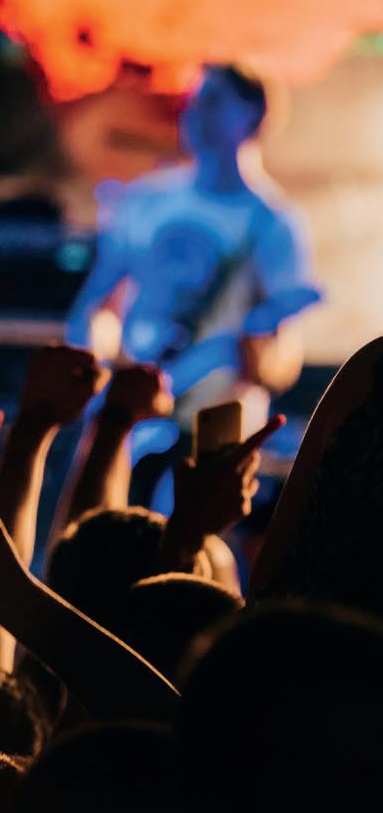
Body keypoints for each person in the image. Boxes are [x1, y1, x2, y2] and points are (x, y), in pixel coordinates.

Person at [66, 65, 320, 502]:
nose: (196, 112)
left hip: (215, 433)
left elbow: (283, 357)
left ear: (255, 117)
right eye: (195, 100)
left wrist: (256, 358)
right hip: (133, 422)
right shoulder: (145, 202)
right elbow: (94, 306)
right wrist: (95, 375)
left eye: (215, 101)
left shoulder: (273, 223)